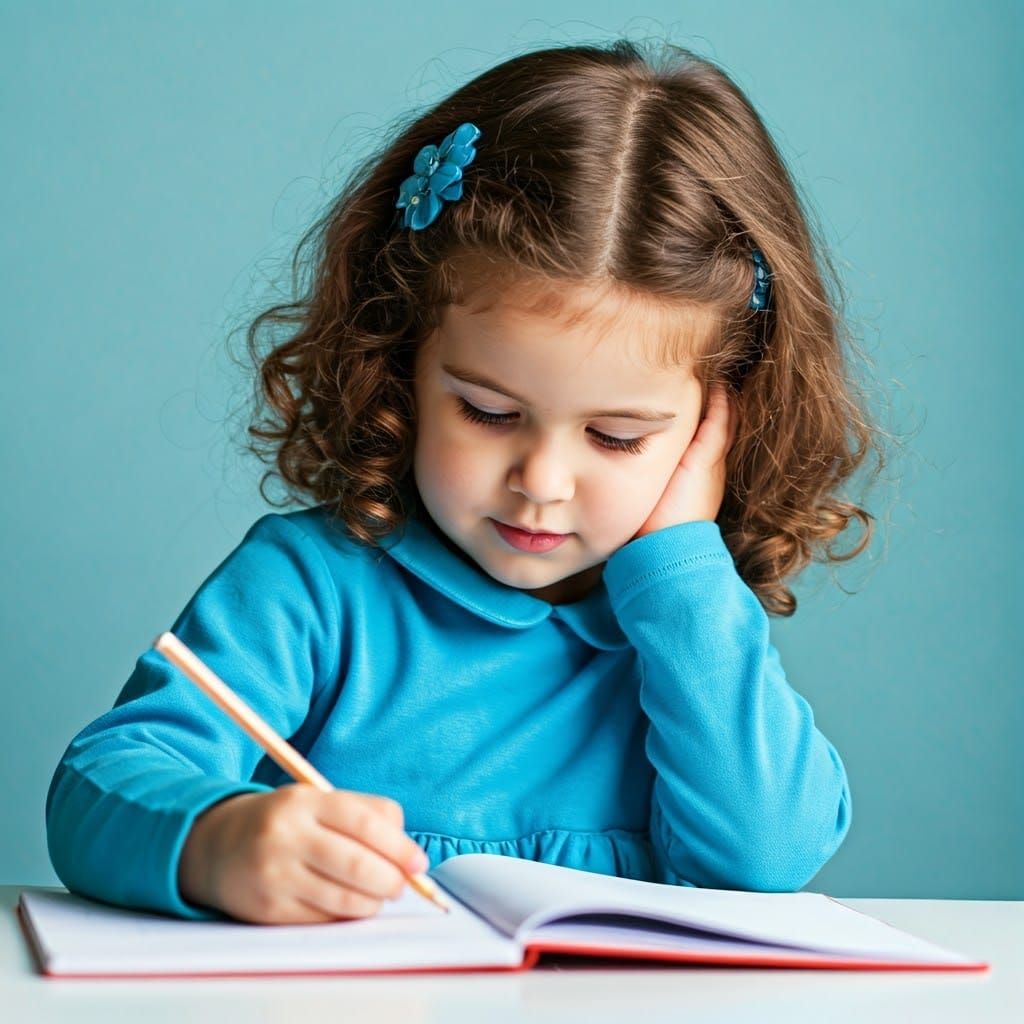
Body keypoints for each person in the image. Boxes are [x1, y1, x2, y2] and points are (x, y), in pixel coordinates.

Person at [46, 40, 882, 925]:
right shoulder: (314, 585)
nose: (542, 483)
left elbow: (768, 859)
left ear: (720, 426)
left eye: (618, 436)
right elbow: (100, 788)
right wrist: (219, 840)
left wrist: (681, 568)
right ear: (401, 360)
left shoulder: (684, 633)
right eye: (487, 412)